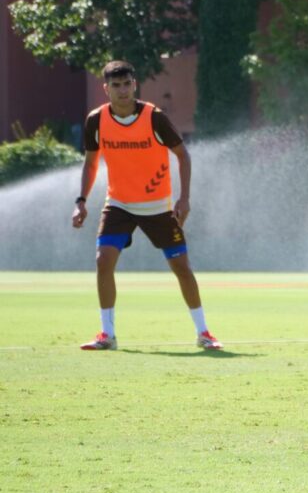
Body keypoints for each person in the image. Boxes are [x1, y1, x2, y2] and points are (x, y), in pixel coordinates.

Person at [72, 60, 223, 352]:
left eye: (127, 84)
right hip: (118, 204)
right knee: (103, 261)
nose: (122, 90)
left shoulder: (155, 117)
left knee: (182, 268)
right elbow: (91, 163)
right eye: (116, 85)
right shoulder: (96, 120)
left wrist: (184, 198)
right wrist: (81, 202)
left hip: (157, 207)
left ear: (134, 84)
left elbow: (183, 155)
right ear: (106, 89)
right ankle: (107, 334)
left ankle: (204, 332)